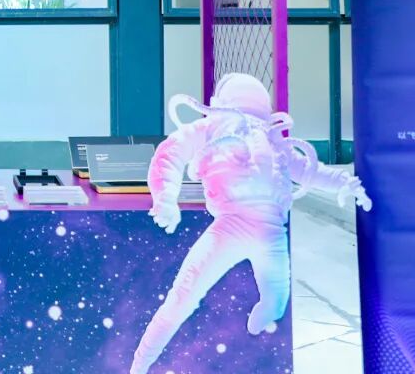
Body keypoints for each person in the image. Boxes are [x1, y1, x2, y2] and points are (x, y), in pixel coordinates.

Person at [129, 73, 372, 374]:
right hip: (259, 231)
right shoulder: (256, 135)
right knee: (270, 297)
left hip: (253, 230)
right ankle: (140, 363)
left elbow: (171, 153)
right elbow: (310, 171)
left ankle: (140, 363)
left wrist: (166, 197)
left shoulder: (251, 134)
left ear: (219, 101)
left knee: (185, 299)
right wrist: (345, 183)